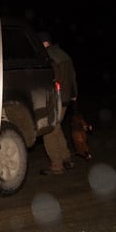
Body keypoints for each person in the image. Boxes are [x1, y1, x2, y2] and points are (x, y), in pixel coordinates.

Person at [40, 36, 77, 175]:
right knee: (56, 128)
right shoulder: (63, 54)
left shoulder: (49, 56)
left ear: (46, 42)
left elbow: (53, 79)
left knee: (48, 130)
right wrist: (74, 94)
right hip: (66, 98)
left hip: (57, 98)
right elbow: (73, 76)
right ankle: (67, 159)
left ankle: (57, 165)